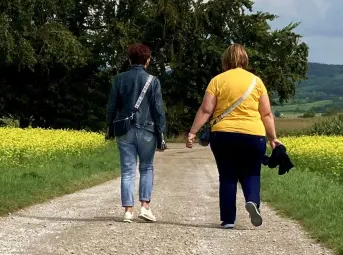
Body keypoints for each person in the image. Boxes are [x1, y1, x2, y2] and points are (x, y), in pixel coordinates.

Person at [185, 43, 278, 228]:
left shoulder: (217, 80)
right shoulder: (256, 81)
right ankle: (252, 201)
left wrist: (193, 132)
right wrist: (272, 137)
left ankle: (228, 220)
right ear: (245, 59)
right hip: (253, 135)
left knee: (227, 176)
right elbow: (266, 113)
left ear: (225, 60)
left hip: (223, 135)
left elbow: (206, 109)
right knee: (252, 172)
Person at [106, 43, 166, 222]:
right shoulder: (153, 81)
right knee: (146, 167)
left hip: (124, 129)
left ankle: (127, 211)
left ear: (129, 59)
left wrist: (109, 127)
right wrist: (161, 133)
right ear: (147, 61)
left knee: (127, 170)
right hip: (147, 130)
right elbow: (158, 109)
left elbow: (111, 106)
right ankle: (145, 207)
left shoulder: (120, 79)